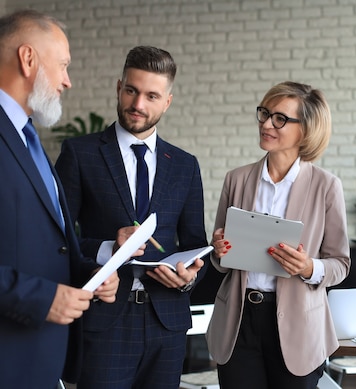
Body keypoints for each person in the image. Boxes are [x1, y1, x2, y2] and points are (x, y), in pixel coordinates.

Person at [55, 46, 208, 389]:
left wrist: (187, 277)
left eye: (151, 95)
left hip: (167, 324)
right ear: (118, 86)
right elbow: (55, 240)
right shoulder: (79, 154)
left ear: (167, 101)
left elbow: (196, 243)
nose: (138, 104)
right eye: (131, 90)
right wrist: (109, 248)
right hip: (105, 320)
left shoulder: (185, 165)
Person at [0, 9, 120, 388]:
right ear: (28, 58)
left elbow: (47, 245)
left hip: (41, 361)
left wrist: (91, 275)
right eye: (63, 65)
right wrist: (41, 298)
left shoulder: (27, 136)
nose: (67, 81)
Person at [206, 81, 351, 389]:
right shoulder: (237, 179)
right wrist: (219, 249)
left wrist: (309, 268)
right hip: (238, 321)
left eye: (280, 118)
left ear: (307, 130)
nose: (266, 124)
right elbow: (219, 260)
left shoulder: (326, 186)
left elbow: (340, 263)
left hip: (298, 327)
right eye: (264, 113)